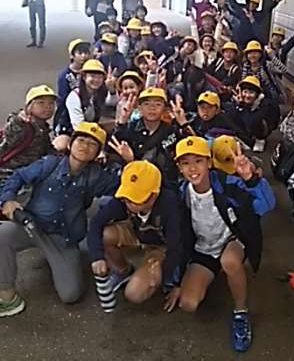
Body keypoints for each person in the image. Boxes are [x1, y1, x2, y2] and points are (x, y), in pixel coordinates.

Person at [0, 122, 118, 316]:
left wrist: (128, 161)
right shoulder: (49, 164)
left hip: (63, 238)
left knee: (70, 294)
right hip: (31, 226)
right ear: (70, 144)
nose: (85, 146)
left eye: (92, 144)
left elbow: (123, 187)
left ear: (98, 153)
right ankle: (7, 297)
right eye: (81, 140)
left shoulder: (97, 176)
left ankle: (57, 259)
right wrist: (8, 200)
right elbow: (18, 176)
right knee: (2, 233)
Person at [171, 136, 276, 352]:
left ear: (209, 163)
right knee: (188, 303)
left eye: (198, 161)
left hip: (231, 240)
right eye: (185, 163)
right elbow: (179, 238)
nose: (192, 168)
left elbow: (266, 205)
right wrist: (175, 280)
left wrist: (250, 179)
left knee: (230, 261)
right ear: (179, 168)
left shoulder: (227, 184)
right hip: (204, 248)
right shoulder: (181, 193)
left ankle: (240, 311)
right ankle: (213, 274)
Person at [87, 160, 183, 305]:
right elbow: (96, 223)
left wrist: (170, 276)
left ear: (154, 195)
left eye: (135, 199)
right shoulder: (124, 199)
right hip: (136, 232)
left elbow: (177, 247)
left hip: (160, 246)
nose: (128, 203)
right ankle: (123, 271)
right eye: (126, 197)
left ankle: (155, 279)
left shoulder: (171, 204)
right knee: (105, 235)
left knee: (134, 293)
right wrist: (97, 257)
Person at [110, 88, 180, 189]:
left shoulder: (171, 131)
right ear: (139, 108)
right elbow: (113, 148)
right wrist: (122, 121)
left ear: (164, 108)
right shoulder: (130, 128)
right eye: (146, 104)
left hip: (163, 184)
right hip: (133, 181)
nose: (152, 108)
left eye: (158, 104)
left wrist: (182, 123)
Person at [0, 85, 56, 188]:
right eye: (41, 103)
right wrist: (19, 117)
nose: (47, 107)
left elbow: (48, 150)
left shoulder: (42, 129)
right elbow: (13, 130)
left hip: (28, 175)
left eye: (51, 103)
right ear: (29, 106)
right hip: (8, 176)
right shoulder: (23, 126)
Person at [222, 0, 288, 48]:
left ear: (257, 6)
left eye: (255, 4)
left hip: (251, 43)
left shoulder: (259, 15)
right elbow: (233, 3)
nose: (252, 5)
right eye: (251, 3)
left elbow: (269, 8)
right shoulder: (243, 11)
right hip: (239, 41)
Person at [225, 76, 279, 151]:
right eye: (245, 92)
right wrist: (238, 105)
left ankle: (259, 140)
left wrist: (243, 106)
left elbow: (251, 121)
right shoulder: (240, 99)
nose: (247, 95)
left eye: (251, 92)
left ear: (257, 94)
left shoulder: (265, 103)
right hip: (248, 121)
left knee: (254, 121)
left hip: (262, 127)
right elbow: (230, 115)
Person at [54, 39, 91, 132]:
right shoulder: (65, 76)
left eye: (86, 53)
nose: (84, 56)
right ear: (72, 55)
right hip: (68, 113)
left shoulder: (90, 72)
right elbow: (63, 99)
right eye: (80, 53)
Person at [64, 59, 109, 132]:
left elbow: (112, 102)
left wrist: (112, 89)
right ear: (84, 77)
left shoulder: (99, 93)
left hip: (91, 130)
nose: (96, 80)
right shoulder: (74, 96)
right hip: (72, 132)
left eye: (100, 77)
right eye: (92, 76)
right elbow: (78, 126)